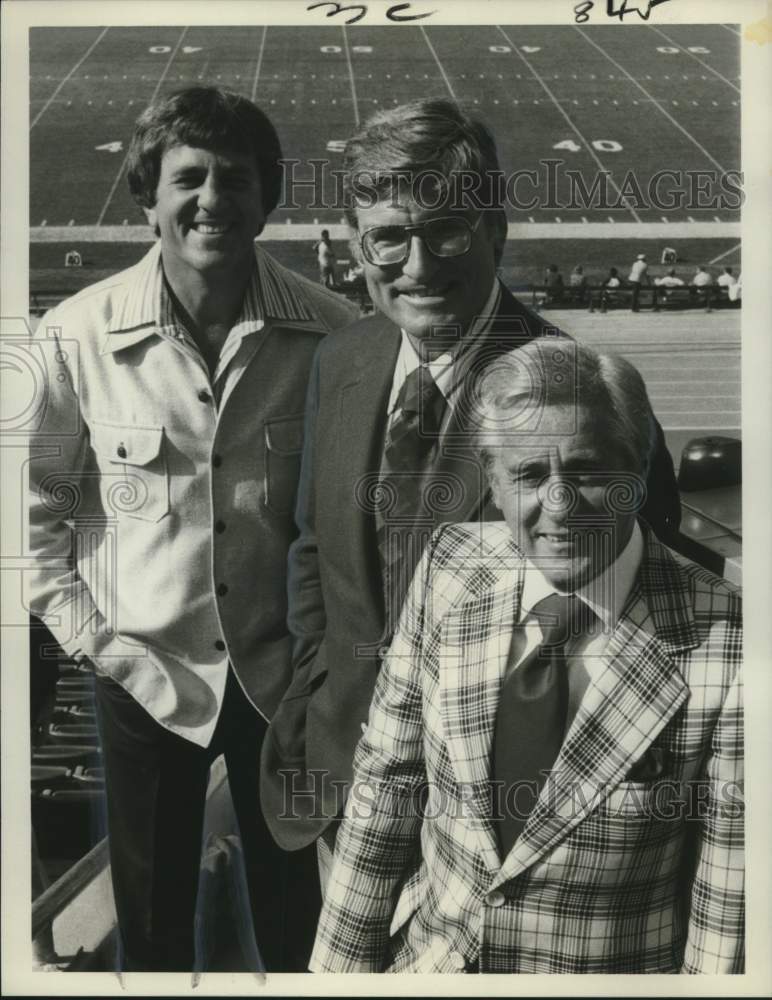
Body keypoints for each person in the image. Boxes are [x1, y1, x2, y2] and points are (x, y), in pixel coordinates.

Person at [260, 99, 682, 879]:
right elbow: (314, 551)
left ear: (495, 231)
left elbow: (644, 624)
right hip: (343, 783)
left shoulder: (580, 392)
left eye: (445, 229)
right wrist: (314, 693)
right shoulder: (344, 360)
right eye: (389, 237)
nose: (417, 267)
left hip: (503, 821)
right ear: (358, 247)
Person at [26, 86, 356, 972]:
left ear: (267, 197)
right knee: (153, 926)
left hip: (283, 682)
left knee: (303, 924)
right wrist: (103, 646)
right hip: (144, 675)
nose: (213, 199)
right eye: (190, 178)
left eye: (236, 179)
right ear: (147, 193)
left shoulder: (335, 335)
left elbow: (352, 523)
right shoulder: (72, 339)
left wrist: (326, 666)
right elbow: (31, 527)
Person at [310, 338, 744, 974]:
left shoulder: (730, 642)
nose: (560, 507)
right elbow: (386, 788)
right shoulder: (450, 566)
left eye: (589, 473)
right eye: (530, 476)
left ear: (640, 472)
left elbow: (725, 914)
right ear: (492, 480)